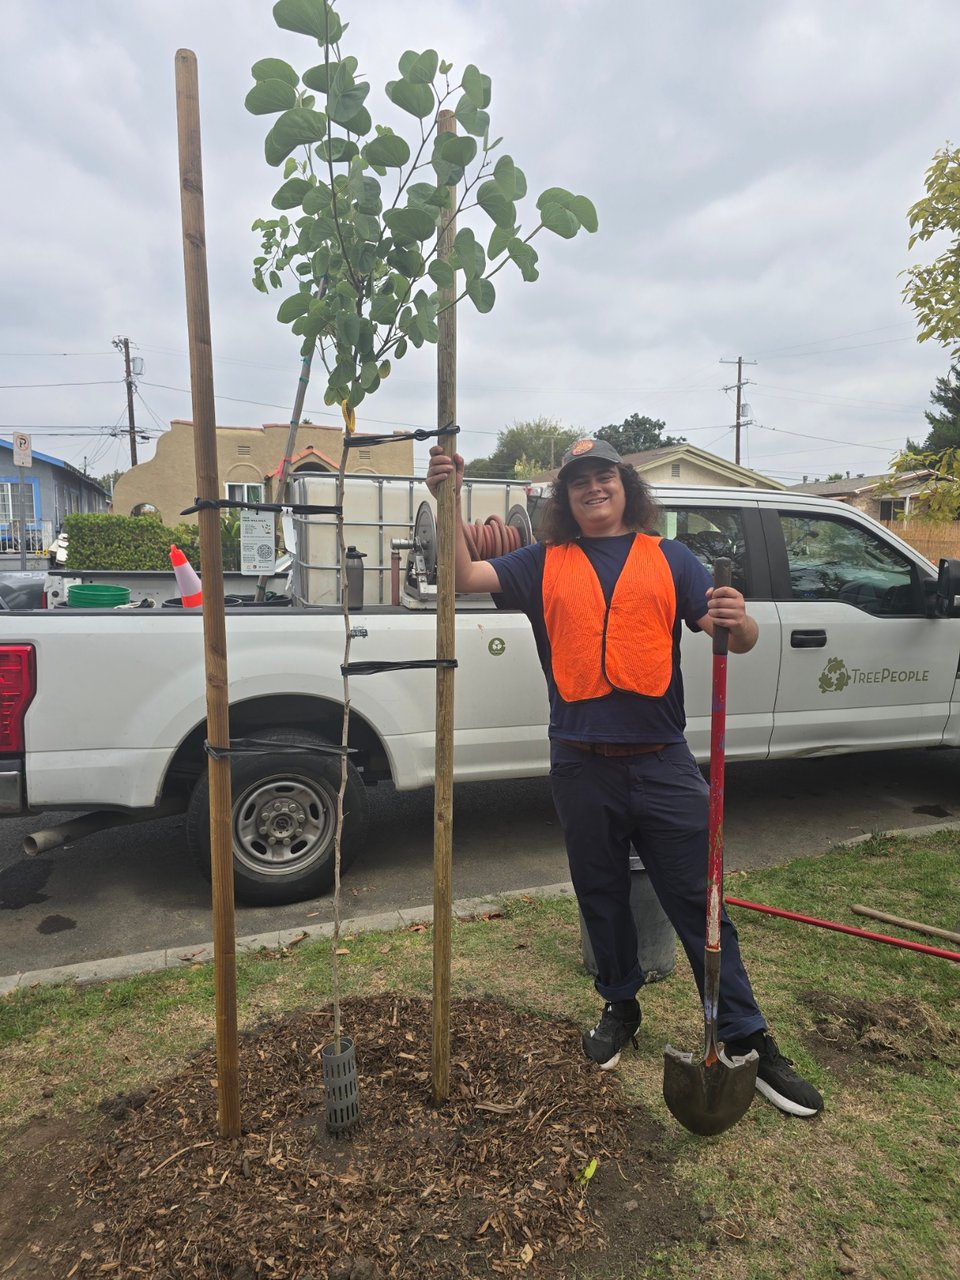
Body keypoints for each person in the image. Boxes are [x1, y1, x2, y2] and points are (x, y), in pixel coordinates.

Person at [425, 437, 823, 1118]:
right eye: (578, 481)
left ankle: (746, 1035)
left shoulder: (672, 558)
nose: (593, 488)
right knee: (600, 895)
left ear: (624, 486)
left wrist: (743, 621)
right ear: (565, 497)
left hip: (662, 760)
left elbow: (734, 635)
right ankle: (620, 1005)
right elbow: (461, 575)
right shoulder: (540, 561)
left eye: (604, 476)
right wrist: (446, 497)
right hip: (580, 764)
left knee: (700, 901)